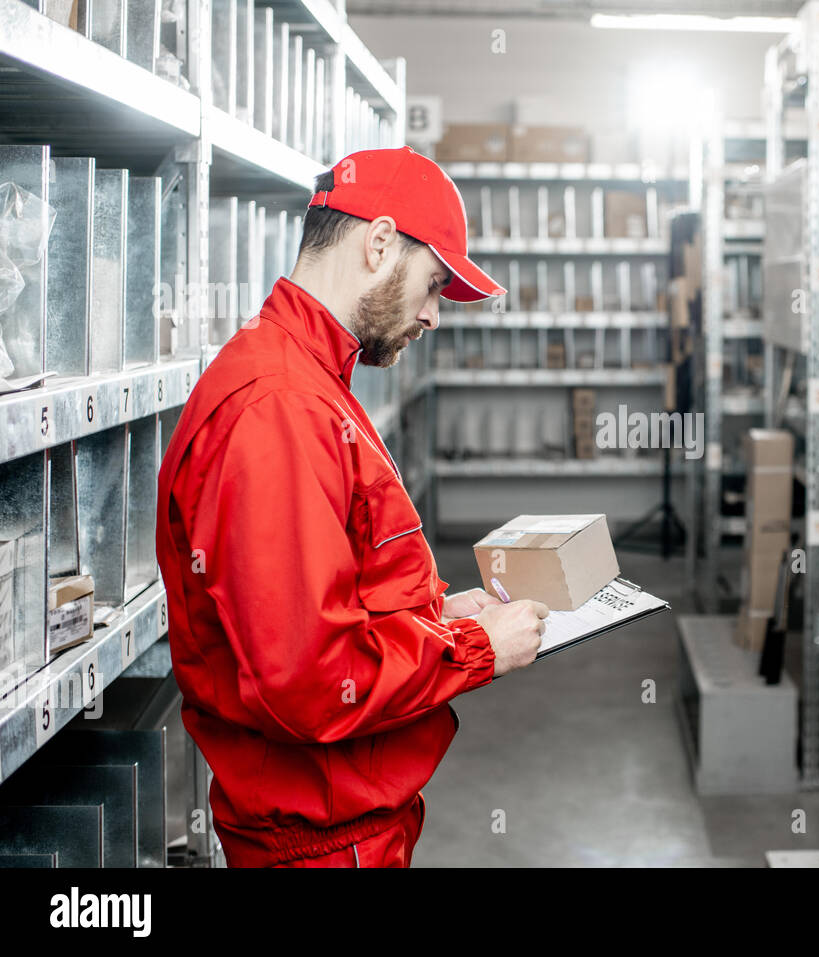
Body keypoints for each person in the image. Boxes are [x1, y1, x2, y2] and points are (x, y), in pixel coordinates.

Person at [155, 147, 549, 867]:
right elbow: (308, 678)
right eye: (432, 284)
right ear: (377, 243)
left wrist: (436, 617)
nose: (433, 314)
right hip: (317, 847)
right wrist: (476, 649)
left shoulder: (308, 382)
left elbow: (335, 601)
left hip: (347, 828)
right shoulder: (277, 407)